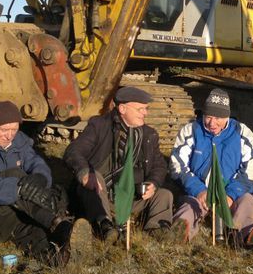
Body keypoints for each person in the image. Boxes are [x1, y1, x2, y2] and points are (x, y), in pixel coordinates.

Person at [0, 101, 74, 266]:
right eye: (4, 130)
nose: (9, 135)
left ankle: (56, 256)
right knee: (15, 176)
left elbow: (36, 162)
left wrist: (40, 177)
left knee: (31, 225)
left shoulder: (19, 141)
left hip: (11, 211)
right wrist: (18, 189)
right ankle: (59, 223)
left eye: (14, 130)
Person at [64, 86, 173, 242]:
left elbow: (159, 166)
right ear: (122, 108)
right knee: (96, 179)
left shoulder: (149, 134)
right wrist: (85, 173)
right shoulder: (99, 126)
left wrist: (152, 183)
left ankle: (157, 229)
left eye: (146, 109)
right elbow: (73, 152)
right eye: (140, 109)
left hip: (133, 194)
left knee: (164, 195)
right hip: (101, 192)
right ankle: (105, 226)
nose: (145, 113)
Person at [170, 88, 253, 247]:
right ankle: (180, 232)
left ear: (227, 116)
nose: (212, 123)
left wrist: (230, 195)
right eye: (208, 117)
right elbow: (177, 165)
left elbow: (250, 171)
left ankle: (249, 234)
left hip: (233, 192)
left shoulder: (243, 133)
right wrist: (198, 190)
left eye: (219, 117)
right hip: (200, 191)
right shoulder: (191, 130)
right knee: (189, 208)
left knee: (247, 204)